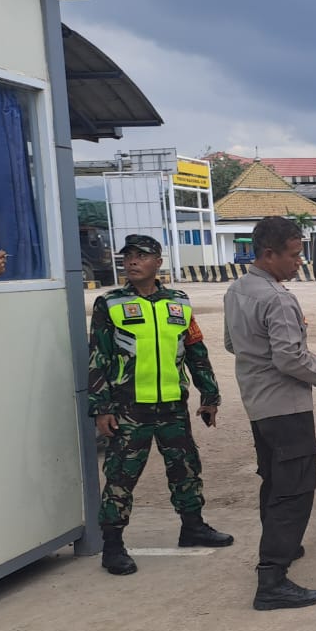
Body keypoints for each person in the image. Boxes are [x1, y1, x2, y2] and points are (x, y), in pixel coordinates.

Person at [88, 234, 232, 576]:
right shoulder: (109, 304)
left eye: (142, 255)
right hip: (128, 408)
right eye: (128, 256)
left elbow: (196, 352)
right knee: (121, 476)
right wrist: (101, 407)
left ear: (158, 262)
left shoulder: (179, 303)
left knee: (185, 470)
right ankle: (112, 546)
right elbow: (98, 359)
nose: (133, 261)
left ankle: (193, 527)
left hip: (172, 406)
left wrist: (209, 395)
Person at [223, 216, 316, 610]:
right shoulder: (277, 298)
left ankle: (282, 546)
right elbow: (289, 357)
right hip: (286, 407)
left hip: (258, 404)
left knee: (274, 481)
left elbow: (230, 343)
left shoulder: (237, 290)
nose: (299, 262)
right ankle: (272, 579)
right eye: (293, 254)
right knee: (295, 488)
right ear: (268, 254)